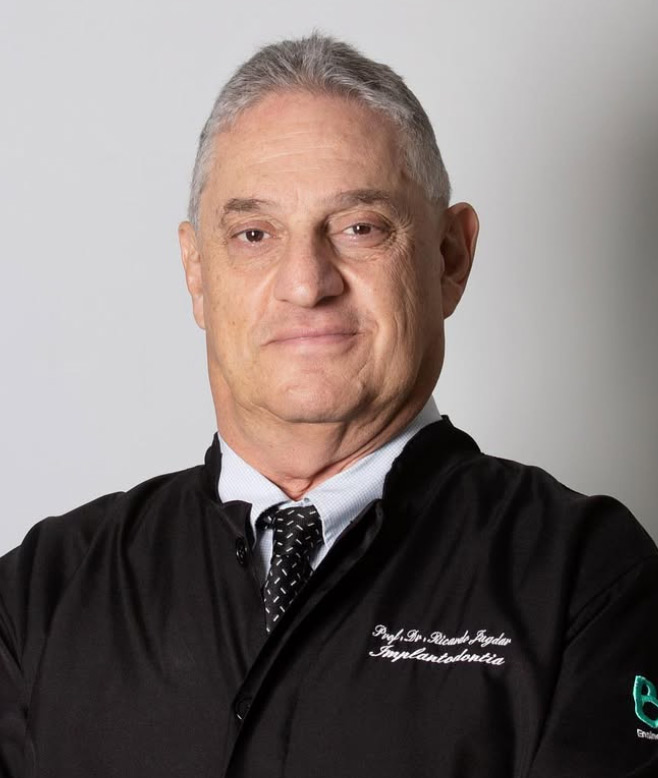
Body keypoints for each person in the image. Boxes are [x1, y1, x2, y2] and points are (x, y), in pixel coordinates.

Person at [1, 33, 657, 778]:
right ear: (197, 272)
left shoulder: (585, 581)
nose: (307, 283)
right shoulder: (44, 594)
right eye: (254, 234)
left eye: (359, 228)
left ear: (450, 257)